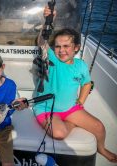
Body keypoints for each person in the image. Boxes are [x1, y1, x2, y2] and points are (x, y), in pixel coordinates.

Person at [32, 7, 117, 163]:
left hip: (70, 108)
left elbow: (86, 83)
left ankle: (102, 148)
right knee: (59, 133)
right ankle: (70, 123)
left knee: (99, 127)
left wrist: (81, 102)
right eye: (57, 46)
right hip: (45, 108)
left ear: (76, 48)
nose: (61, 50)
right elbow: (41, 41)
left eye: (66, 46)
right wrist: (48, 22)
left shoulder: (81, 65)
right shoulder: (52, 59)